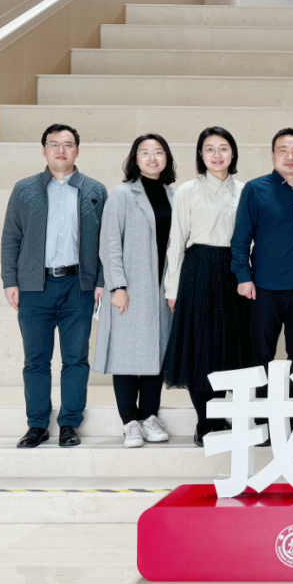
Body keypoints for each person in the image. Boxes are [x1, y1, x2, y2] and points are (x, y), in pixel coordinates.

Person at [1, 124, 108, 449]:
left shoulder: (95, 190)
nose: (61, 150)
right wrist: (10, 281)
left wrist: (101, 282)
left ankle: (69, 424)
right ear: (44, 150)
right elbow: (11, 237)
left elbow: (107, 242)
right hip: (35, 286)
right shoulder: (25, 189)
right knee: (36, 360)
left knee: (76, 358)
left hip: (79, 286)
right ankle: (36, 425)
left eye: (68, 144)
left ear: (78, 150)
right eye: (54, 144)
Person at [231, 129, 293, 441]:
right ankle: (261, 423)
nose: (290, 156)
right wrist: (243, 277)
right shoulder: (255, 189)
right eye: (283, 150)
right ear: (272, 155)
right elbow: (241, 238)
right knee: (261, 354)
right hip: (265, 287)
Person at [163, 127, 252, 448]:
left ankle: (220, 413)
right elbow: (176, 242)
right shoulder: (187, 191)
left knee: (229, 346)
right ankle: (204, 422)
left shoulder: (245, 190)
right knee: (200, 346)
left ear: (233, 153)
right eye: (209, 149)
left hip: (234, 271)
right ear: (201, 155)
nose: (217, 155)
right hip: (198, 270)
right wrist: (172, 289)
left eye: (223, 148)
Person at [95, 134, 177, 449]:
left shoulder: (173, 195)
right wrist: (117, 285)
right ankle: (129, 421)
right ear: (135, 159)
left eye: (158, 152)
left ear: (167, 158)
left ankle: (149, 416)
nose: (152, 158)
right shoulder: (122, 194)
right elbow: (109, 243)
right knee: (127, 354)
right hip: (130, 288)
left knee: (157, 352)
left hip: (162, 289)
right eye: (145, 153)